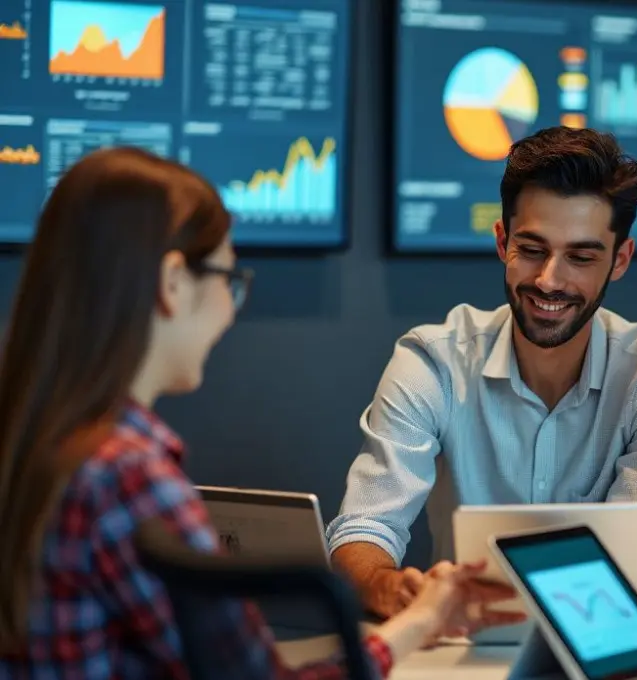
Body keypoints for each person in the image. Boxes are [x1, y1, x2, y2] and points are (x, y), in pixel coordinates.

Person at [0, 148, 519, 679]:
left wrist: (418, 621)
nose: (230, 307)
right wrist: (421, 621)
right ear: (172, 282)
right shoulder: (130, 478)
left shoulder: (34, 444)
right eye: (228, 277)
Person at [328, 127, 637, 617]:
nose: (549, 280)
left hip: (601, 639)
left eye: (581, 257)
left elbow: (631, 558)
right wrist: (383, 586)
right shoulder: (433, 361)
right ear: (503, 242)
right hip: (456, 642)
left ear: (620, 260)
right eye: (533, 249)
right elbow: (367, 524)